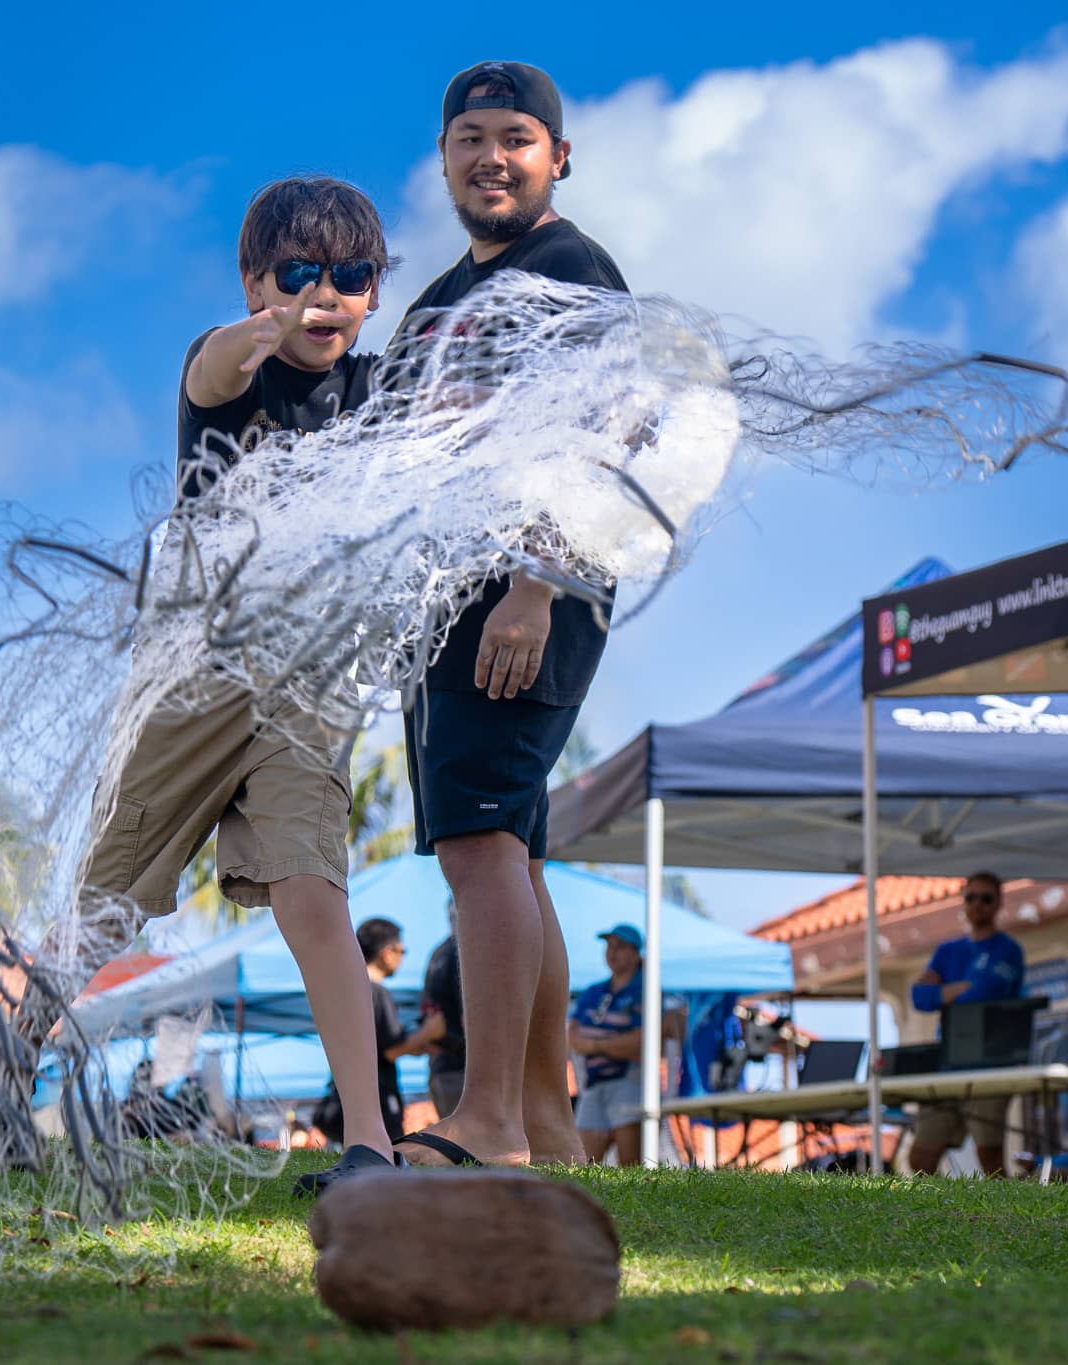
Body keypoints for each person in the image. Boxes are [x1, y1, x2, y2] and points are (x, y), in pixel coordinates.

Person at [0, 178, 405, 1196]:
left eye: (350, 276)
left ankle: (370, 1145)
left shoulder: (382, 391)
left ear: (376, 289)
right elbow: (213, 368)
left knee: (312, 891)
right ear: (255, 284)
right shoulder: (227, 372)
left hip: (310, 682)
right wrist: (252, 331)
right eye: (297, 274)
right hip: (196, 674)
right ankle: (4, 1072)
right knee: (111, 902)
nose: (324, 297)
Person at [388, 60, 630, 1172]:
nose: (492, 155)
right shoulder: (435, 301)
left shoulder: (570, 266)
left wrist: (533, 584)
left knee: (478, 846)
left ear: (557, 158)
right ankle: (545, 1126)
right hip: (443, 602)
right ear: (442, 159)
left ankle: (484, 1119)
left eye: (517, 137)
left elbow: (608, 426)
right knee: (512, 858)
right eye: (470, 136)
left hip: (526, 589)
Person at [906, 872, 1026, 1176]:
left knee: (990, 1158)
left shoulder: (1008, 950)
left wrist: (944, 993)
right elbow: (919, 996)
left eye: (986, 898)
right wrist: (953, 990)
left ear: (998, 903)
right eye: (971, 897)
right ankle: (933, 1216)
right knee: (920, 1158)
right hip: (948, 1064)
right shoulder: (948, 951)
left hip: (989, 1064)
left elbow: (982, 992)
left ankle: (1006, 1218)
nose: (978, 905)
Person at [317, 918, 441, 1145]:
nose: (403, 958)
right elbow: (391, 1049)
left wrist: (414, 1045)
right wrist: (430, 1031)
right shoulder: (377, 993)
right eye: (402, 951)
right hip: (379, 1094)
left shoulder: (349, 990)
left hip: (347, 1090)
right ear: (387, 952)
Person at [569, 924, 664, 1166]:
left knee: (631, 1167)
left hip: (630, 1082)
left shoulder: (646, 989)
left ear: (635, 953)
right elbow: (573, 1037)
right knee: (583, 1166)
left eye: (620, 947)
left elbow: (644, 1041)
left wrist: (593, 1044)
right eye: (609, 946)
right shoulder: (593, 991)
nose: (612, 953)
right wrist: (613, 1043)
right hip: (593, 1085)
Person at [419, 907, 467, 1118]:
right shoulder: (461, 953)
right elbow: (472, 1019)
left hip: (445, 1068)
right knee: (471, 1146)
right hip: (460, 1071)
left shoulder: (440, 953)